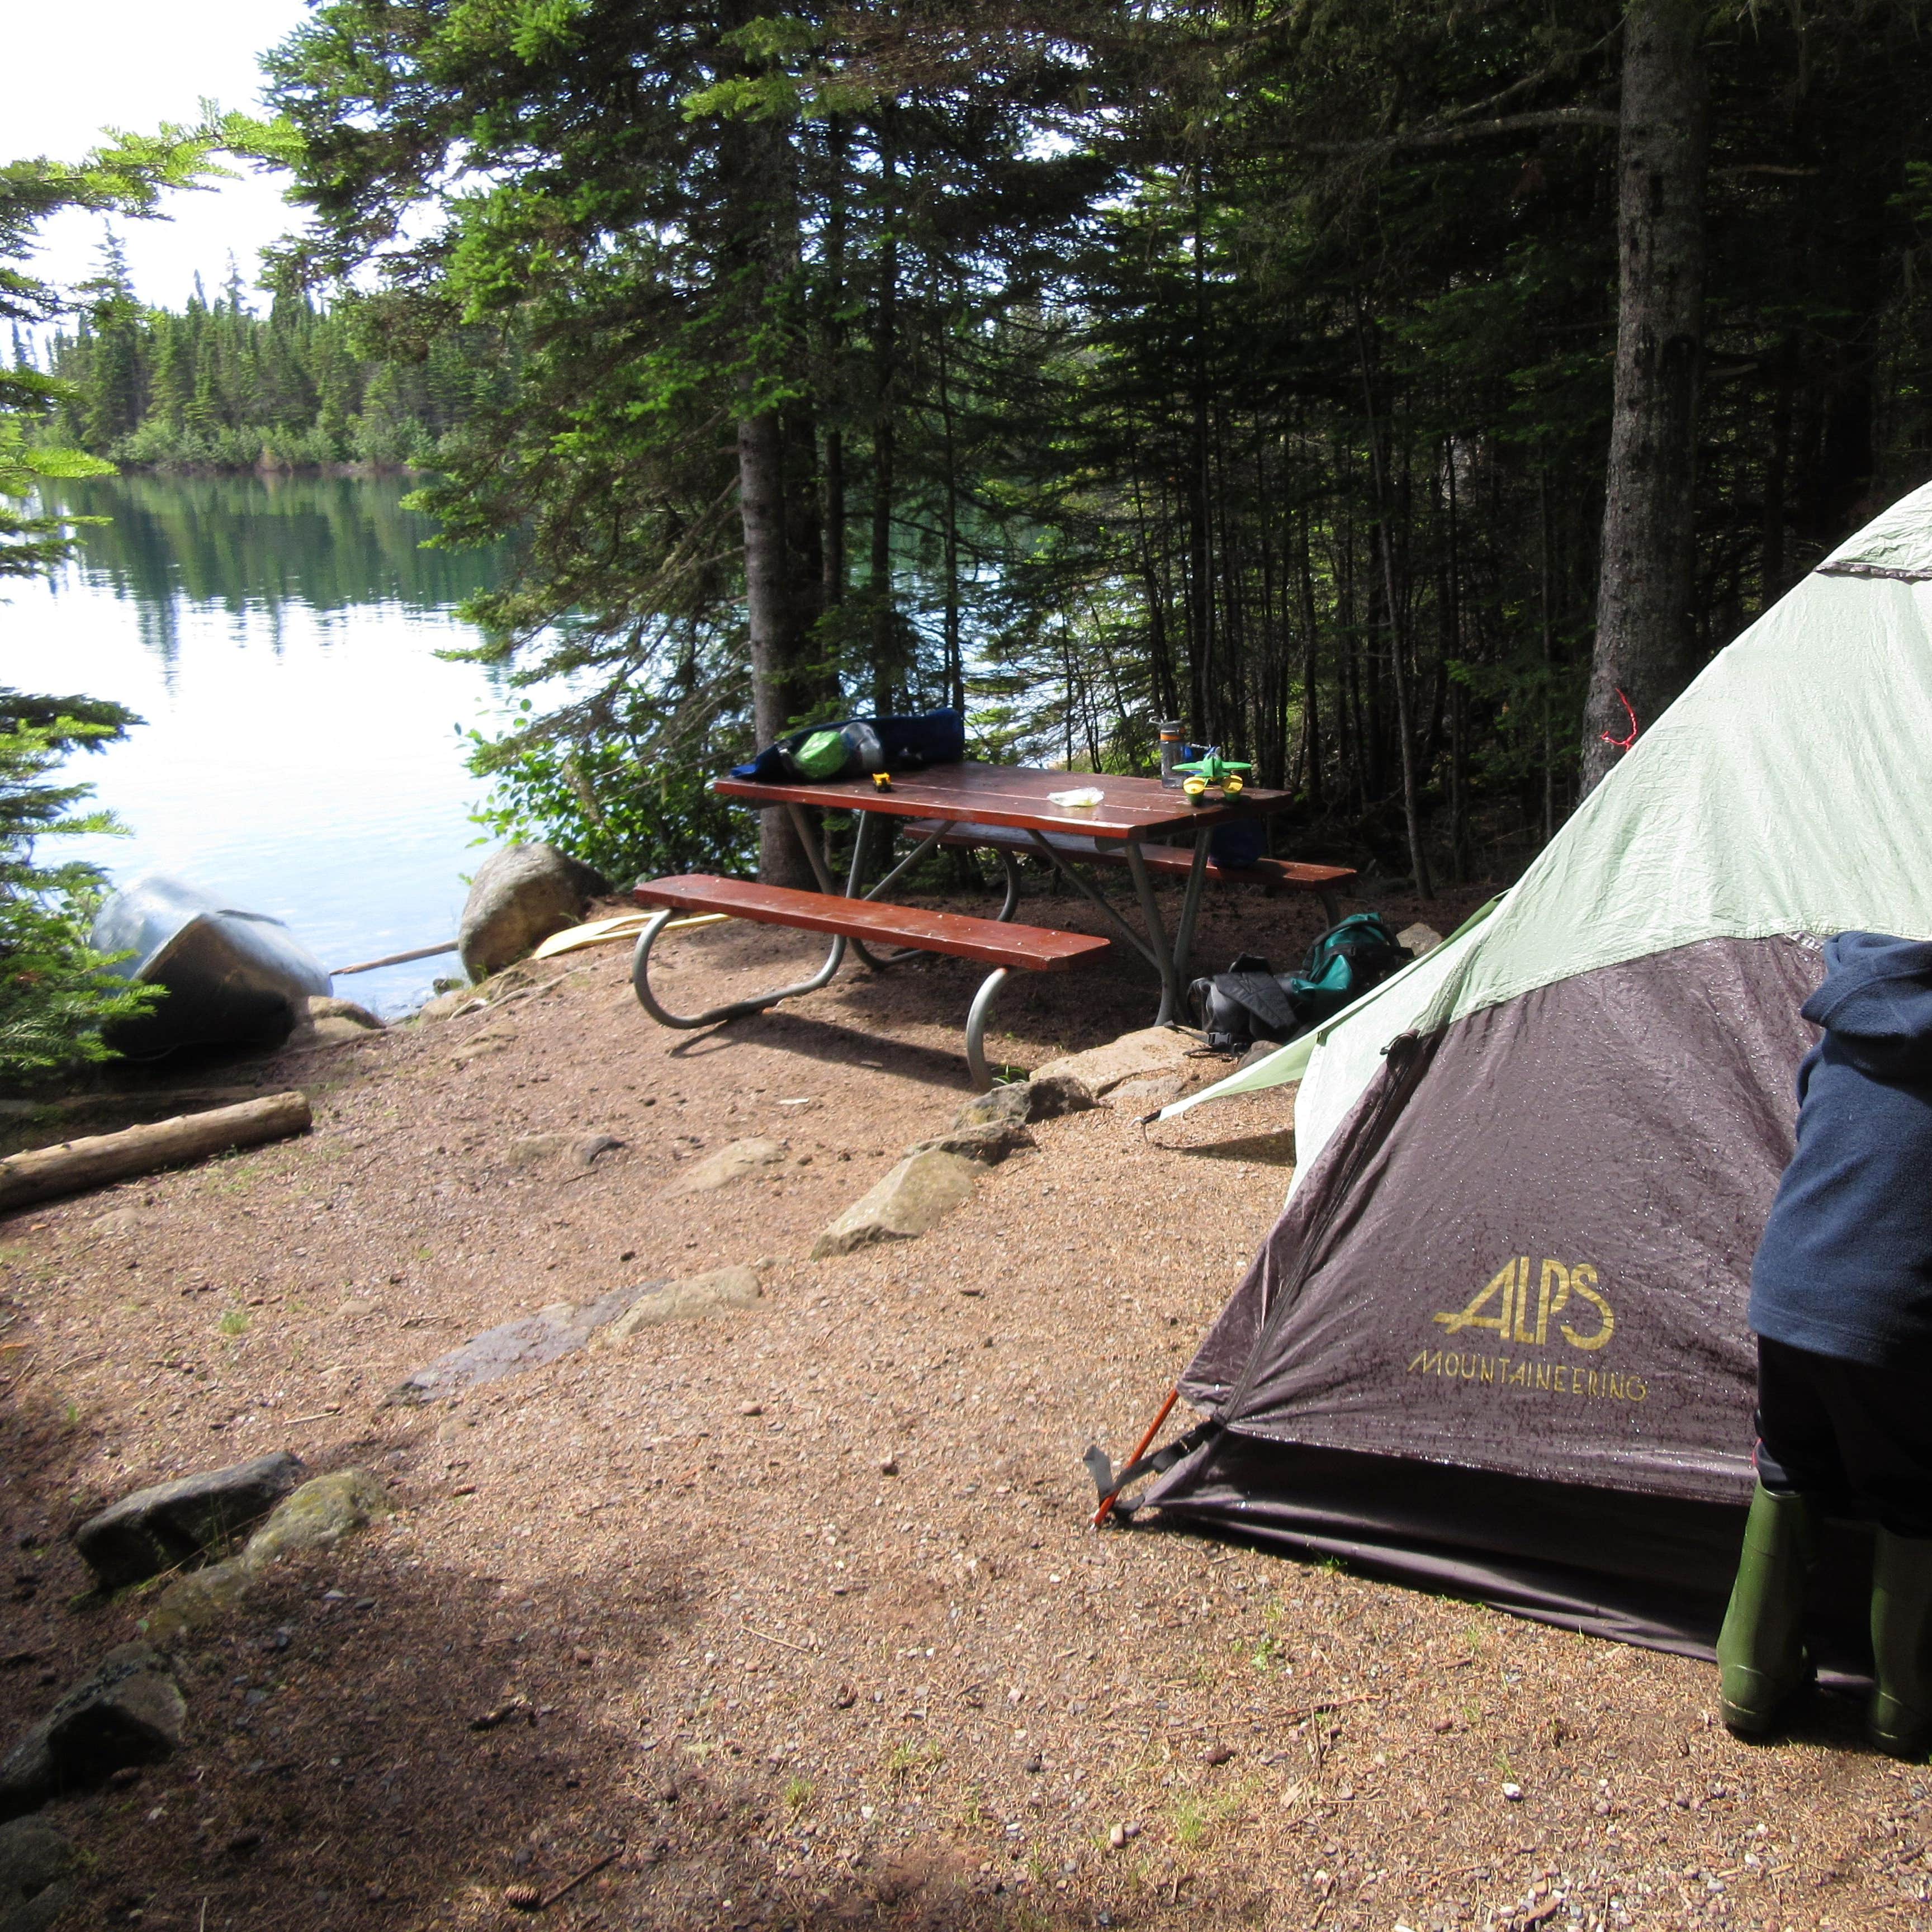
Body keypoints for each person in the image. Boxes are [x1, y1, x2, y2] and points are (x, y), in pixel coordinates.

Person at [1718, 931, 1932, 1754]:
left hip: (1788, 1291)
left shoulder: (1842, 1034)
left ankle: (1752, 1682)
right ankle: (1905, 1705)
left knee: (1789, 1463)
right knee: (1913, 1490)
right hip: (1897, 1317)